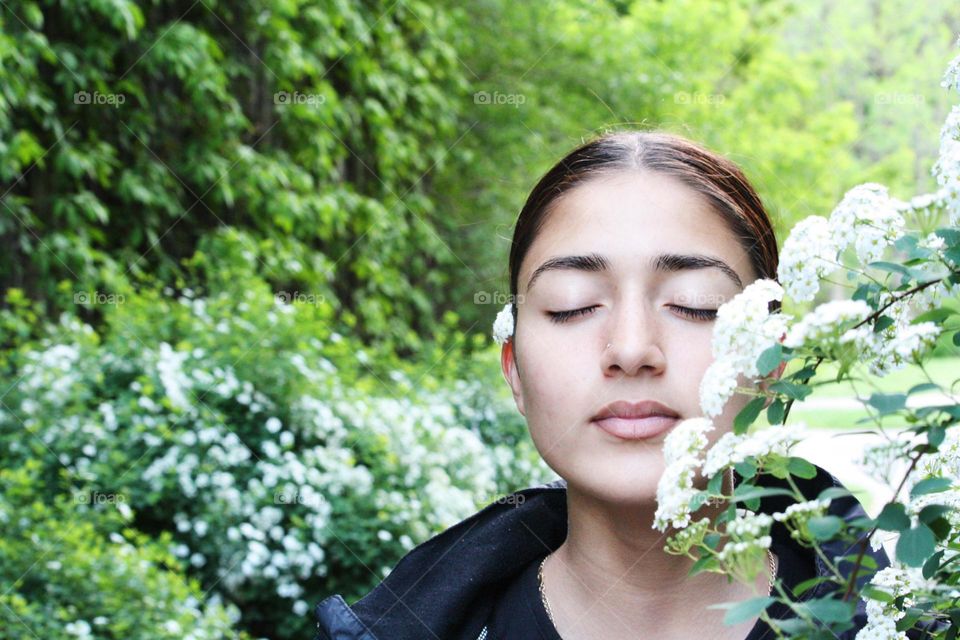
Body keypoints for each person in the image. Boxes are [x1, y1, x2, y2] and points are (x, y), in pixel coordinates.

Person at [312, 131, 894, 640]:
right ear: (513, 369)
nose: (633, 348)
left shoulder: (901, 620)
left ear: (771, 361)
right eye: (573, 307)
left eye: (695, 305)